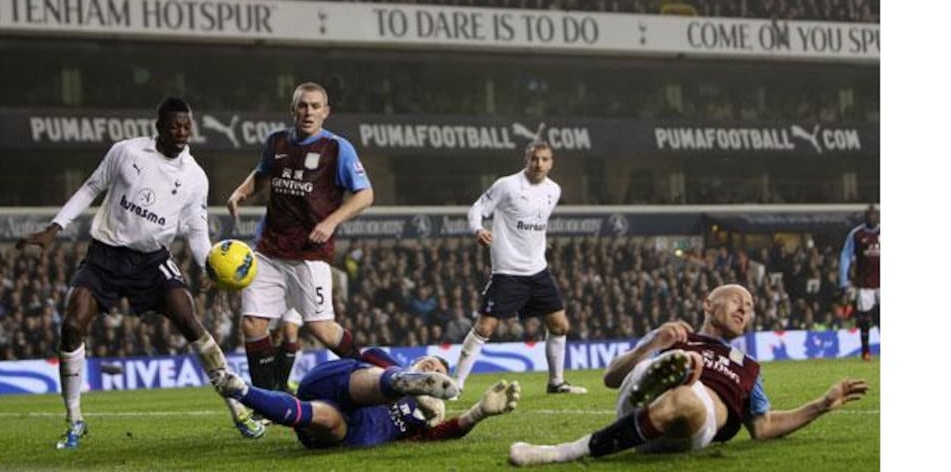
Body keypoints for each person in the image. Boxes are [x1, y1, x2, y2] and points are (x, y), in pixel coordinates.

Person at [16, 97, 265, 449]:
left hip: (151, 261)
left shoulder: (195, 178)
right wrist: (55, 227)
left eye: (187, 126)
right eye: (175, 126)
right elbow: (91, 187)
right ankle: (74, 420)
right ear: (159, 126)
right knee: (72, 325)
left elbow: (196, 233)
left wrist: (210, 266)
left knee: (190, 322)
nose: (182, 132)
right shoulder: (126, 152)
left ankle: (238, 410)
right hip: (104, 256)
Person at [508, 284, 869, 466]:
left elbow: (763, 427)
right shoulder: (675, 332)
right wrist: (651, 346)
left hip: (694, 422)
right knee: (678, 359)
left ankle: (560, 452)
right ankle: (667, 378)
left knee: (687, 392)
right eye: (736, 300)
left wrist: (822, 404)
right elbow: (610, 378)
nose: (745, 308)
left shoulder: (749, 367)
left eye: (751, 307)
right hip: (636, 399)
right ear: (708, 305)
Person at [227, 82, 373, 393]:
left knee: (321, 329)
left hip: (309, 254)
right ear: (293, 110)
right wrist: (241, 191)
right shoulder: (276, 142)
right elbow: (262, 172)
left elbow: (366, 194)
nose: (309, 111)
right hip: (268, 250)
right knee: (253, 324)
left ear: (326, 112)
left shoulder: (337, 148)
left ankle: (369, 373)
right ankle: (267, 400)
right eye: (303, 106)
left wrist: (332, 221)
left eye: (315, 106)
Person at [453, 141, 586, 395]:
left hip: (538, 270)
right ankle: (456, 385)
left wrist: (542, 244)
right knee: (484, 328)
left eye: (545, 159)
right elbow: (477, 208)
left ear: (551, 162)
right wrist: (478, 229)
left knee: (560, 326)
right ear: (526, 159)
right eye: (534, 159)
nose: (539, 164)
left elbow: (537, 223)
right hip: (508, 272)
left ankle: (556, 383)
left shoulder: (553, 190)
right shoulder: (508, 186)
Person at [211, 347, 520, 448]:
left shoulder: (424, 420)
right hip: (342, 381)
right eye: (430, 364)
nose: (433, 366)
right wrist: (406, 382)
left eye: (438, 370)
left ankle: (240, 391)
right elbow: (367, 353)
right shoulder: (383, 360)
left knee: (326, 418)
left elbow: (443, 432)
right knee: (372, 382)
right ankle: (401, 383)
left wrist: (479, 412)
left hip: (350, 429)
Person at [839, 204, 880, 361]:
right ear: (865, 216)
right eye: (869, 215)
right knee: (864, 318)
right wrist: (844, 281)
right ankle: (865, 350)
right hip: (865, 284)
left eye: (874, 214)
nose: (872, 217)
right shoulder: (857, 235)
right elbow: (846, 256)